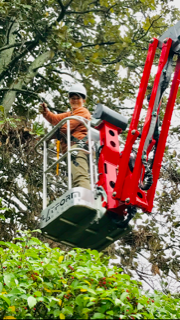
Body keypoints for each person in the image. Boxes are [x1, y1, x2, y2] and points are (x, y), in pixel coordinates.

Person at [39, 83, 91, 190]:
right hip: (72, 150)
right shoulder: (70, 114)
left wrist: (49, 137)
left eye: (78, 98)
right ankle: (82, 201)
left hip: (78, 148)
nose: (75, 100)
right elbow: (54, 119)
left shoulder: (82, 111)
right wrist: (45, 112)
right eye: (72, 98)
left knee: (80, 178)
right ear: (69, 100)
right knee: (75, 179)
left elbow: (65, 128)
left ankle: (86, 203)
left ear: (83, 101)